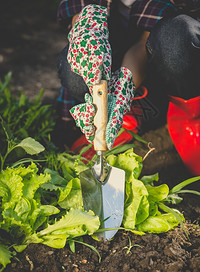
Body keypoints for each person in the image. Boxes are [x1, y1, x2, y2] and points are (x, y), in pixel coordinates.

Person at [53, 0, 200, 173]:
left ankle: (191, 118)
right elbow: (80, 12)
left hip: (163, 53)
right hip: (116, 49)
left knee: (175, 39)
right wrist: (85, 34)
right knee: (74, 71)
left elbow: (142, 46)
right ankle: (129, 115)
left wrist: (123, 88)